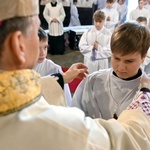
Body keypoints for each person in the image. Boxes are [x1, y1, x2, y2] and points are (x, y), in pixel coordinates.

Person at [0, 1, 150, 150]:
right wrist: (143, 97)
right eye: (35, 33)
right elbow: (123, 141)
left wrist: (60, 79)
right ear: (18, 44)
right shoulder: (55, 126)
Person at [72, 21, 150, 120]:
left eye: (129, 61)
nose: (121, 68)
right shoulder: (93, 80)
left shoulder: (146, 91)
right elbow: (75, 116)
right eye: (116, 58)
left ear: (143, 56)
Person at [34, 27, 72, 106]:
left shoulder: (54, 68)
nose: (43, 53)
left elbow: (65, 98)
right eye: (37, 48)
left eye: (45, 47)